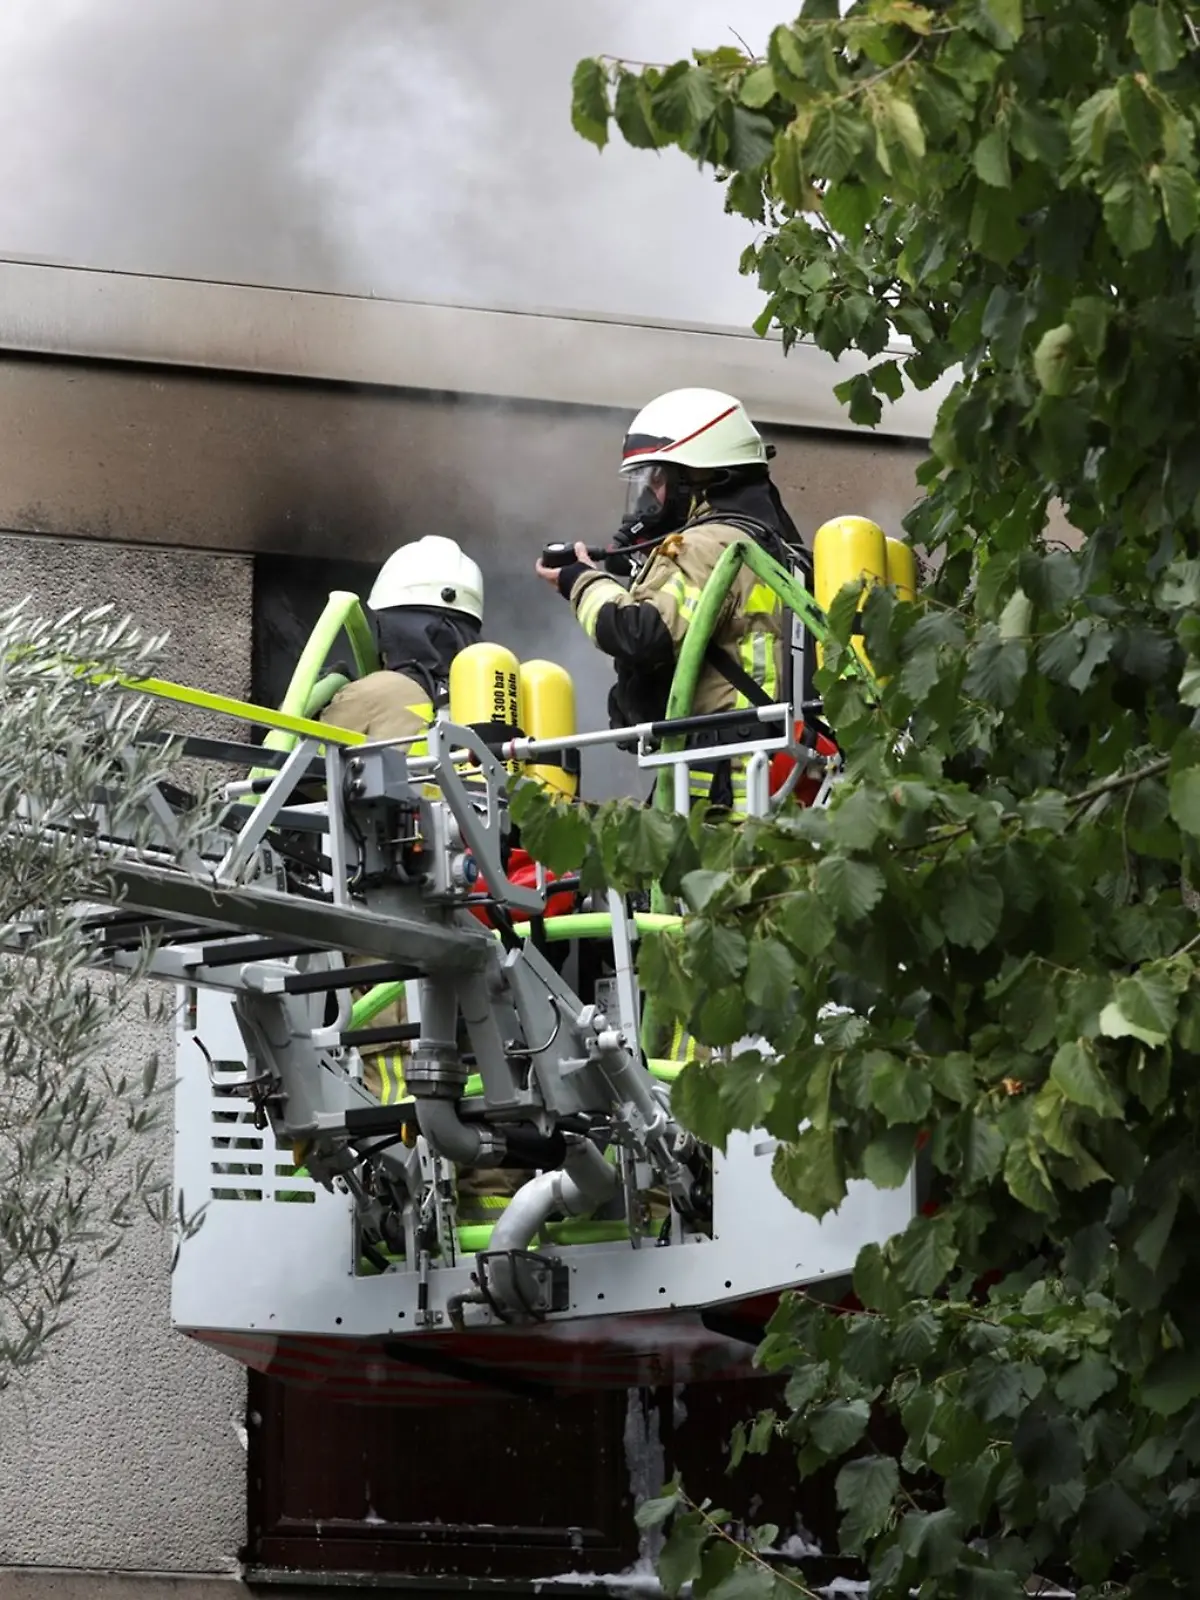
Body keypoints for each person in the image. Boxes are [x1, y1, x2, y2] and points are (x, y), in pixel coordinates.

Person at [534, 386, 808, 813]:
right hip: (769, 782)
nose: (650, 497)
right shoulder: (780, 551)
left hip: (720, 799)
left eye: (658, 478)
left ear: (699, 478)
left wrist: (579, 580)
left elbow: (640, 632)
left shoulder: (708, 544)